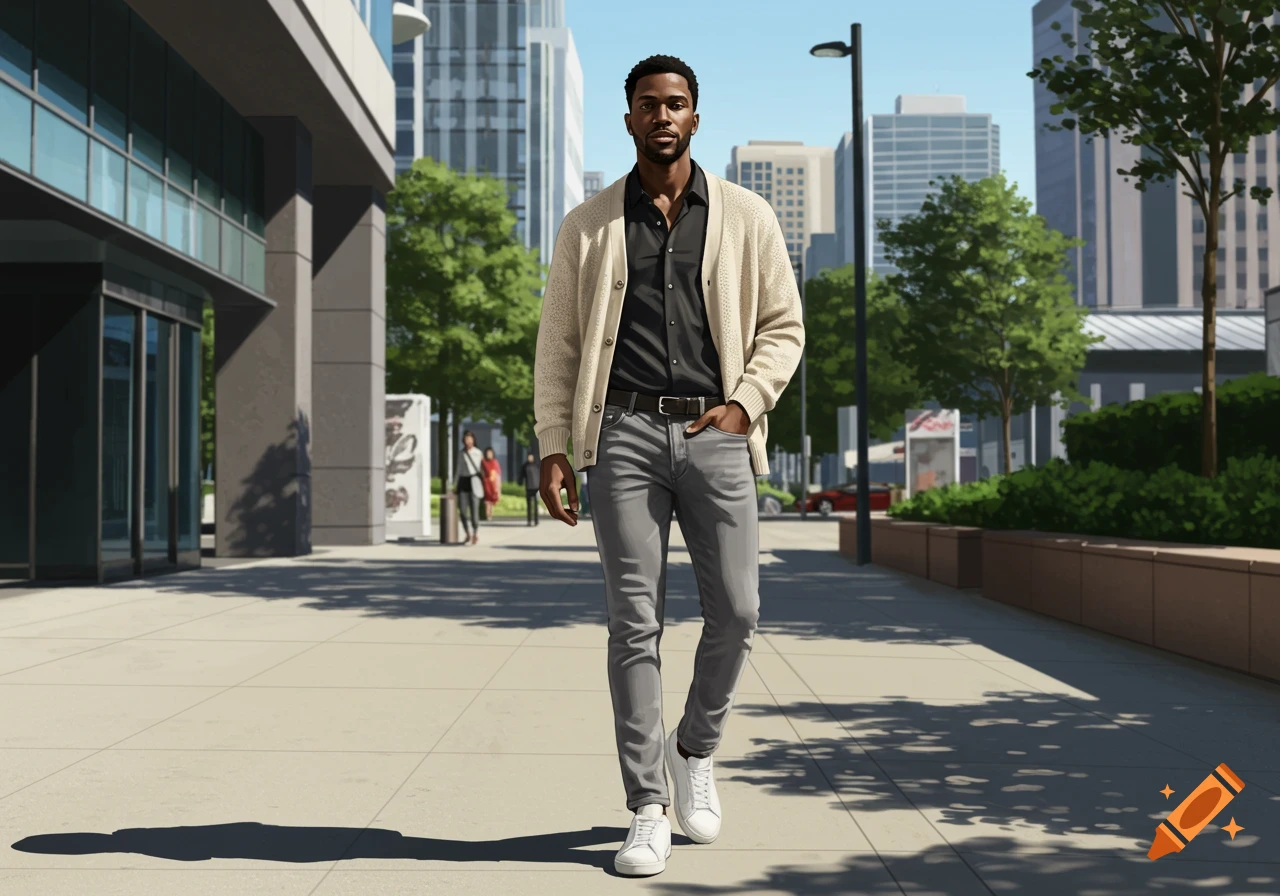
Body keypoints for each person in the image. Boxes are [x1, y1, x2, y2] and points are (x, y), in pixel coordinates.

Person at [531, 55, 804, 877]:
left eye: (676, 104)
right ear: (627, 119)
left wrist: (745, 404)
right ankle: (648, 805)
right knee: (634, 625)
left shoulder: (748, 217)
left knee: (741, 612)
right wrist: (553, 443)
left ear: (695, 117)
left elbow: (783, 328)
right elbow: (559, 347)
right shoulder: (586, 226)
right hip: (624, 435)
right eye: (648, 104)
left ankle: (696, 748)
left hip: (718, 432)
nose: (662, 115)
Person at [455, 431, 484, 545]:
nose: (468, 441)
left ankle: (475, 533)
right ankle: (467, 533)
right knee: (462, 511)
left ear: (473, 440)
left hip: (475, 481)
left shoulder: (478, 453)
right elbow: (458, 469)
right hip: (463, 482)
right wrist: (455, 484)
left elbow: (483, 469)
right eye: (466, 439)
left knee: (474, 510)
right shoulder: (461, 453)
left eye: (470, 439)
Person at [518, 451, 541, 526]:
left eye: (531, 457)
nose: (530, 458)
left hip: (536, 488)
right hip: (528, 487)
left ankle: (536, 520)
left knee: (535, 505)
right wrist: (520, 482)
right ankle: (529, 521)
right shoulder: (525, 466)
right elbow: (521, 475)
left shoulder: (537, 465)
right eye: (529, 457)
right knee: (529, 505)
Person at [481, 447, 502, 520]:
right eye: (487, 453)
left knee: (492, 500)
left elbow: (498, 473)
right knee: (487, 500)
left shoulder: (495, 462)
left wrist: (498, 486)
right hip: (486, 483)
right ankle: (487, 515)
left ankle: (490, 514)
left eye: (490, 453)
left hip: (493, 483)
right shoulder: (483, 462)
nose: (489, 455)